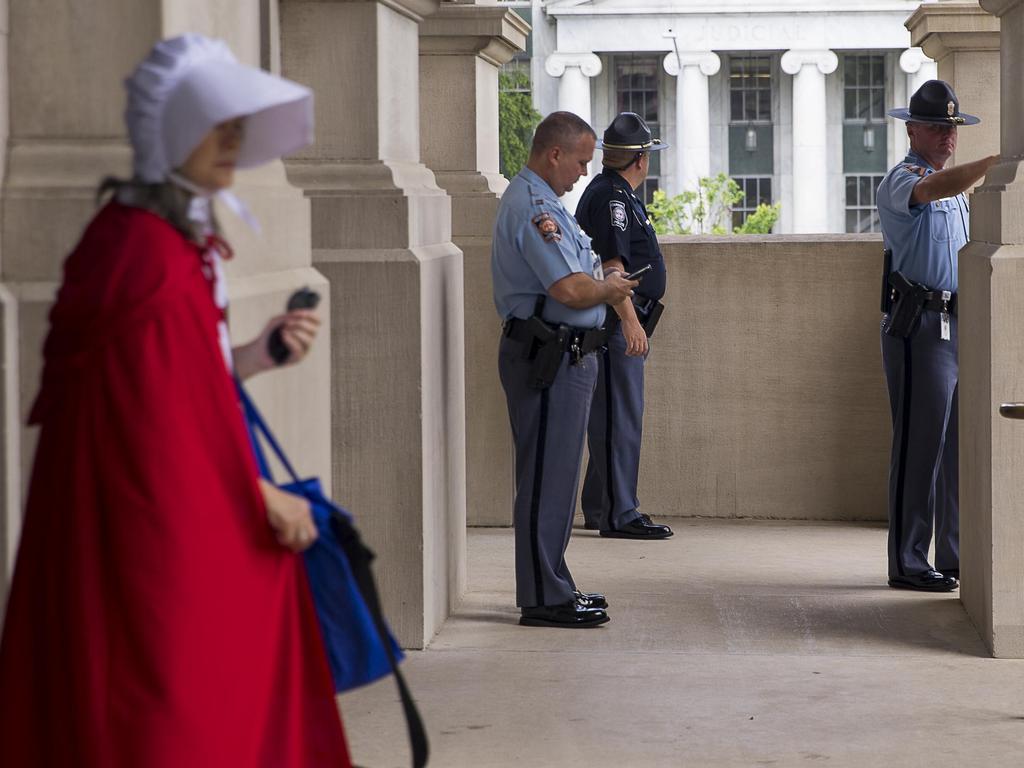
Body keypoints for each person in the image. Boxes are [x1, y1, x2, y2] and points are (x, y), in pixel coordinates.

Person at [0, 35, 353, 766]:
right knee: (170, 713)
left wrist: (256, 354)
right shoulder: (143, 252)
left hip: (167, 510)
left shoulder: (166, 241)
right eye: (212, 122)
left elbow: (179, 386)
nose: (231, 137)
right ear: (168, 133)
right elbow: (147, 427)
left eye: (235, 123)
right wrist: (257, 495)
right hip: (151, 529)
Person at [492, 111, 638, 628]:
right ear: (554, 154)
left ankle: (553, 581)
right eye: (579, 161)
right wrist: (612, 291)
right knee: (545, 480)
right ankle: (543, 596)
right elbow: (569, 288)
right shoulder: (535, 207)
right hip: (548, 356)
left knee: (555, 476)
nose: (582, 172)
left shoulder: (548, 202)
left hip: (563, 354)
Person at [877, 79, 998, 592]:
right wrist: (998, 161)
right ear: (912, 130)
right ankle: (908, 560)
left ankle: (953, 555)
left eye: (951, 127)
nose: (947, 137)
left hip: (955, 321)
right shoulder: (904, 179)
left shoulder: (955, 188)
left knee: (954, 449)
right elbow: (930, 191)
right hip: (919, 323)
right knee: (919, 446)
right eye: (935, 127)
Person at [575, 112, 674, 540]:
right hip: (617, 321)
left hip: (618, 318)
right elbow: (612, 266)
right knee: (621, 417)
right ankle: (620, 513)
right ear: (640, 160)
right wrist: (631, 323)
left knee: (613, 415)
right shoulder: (612, 198)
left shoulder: (615, 192)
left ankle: (601, 505)